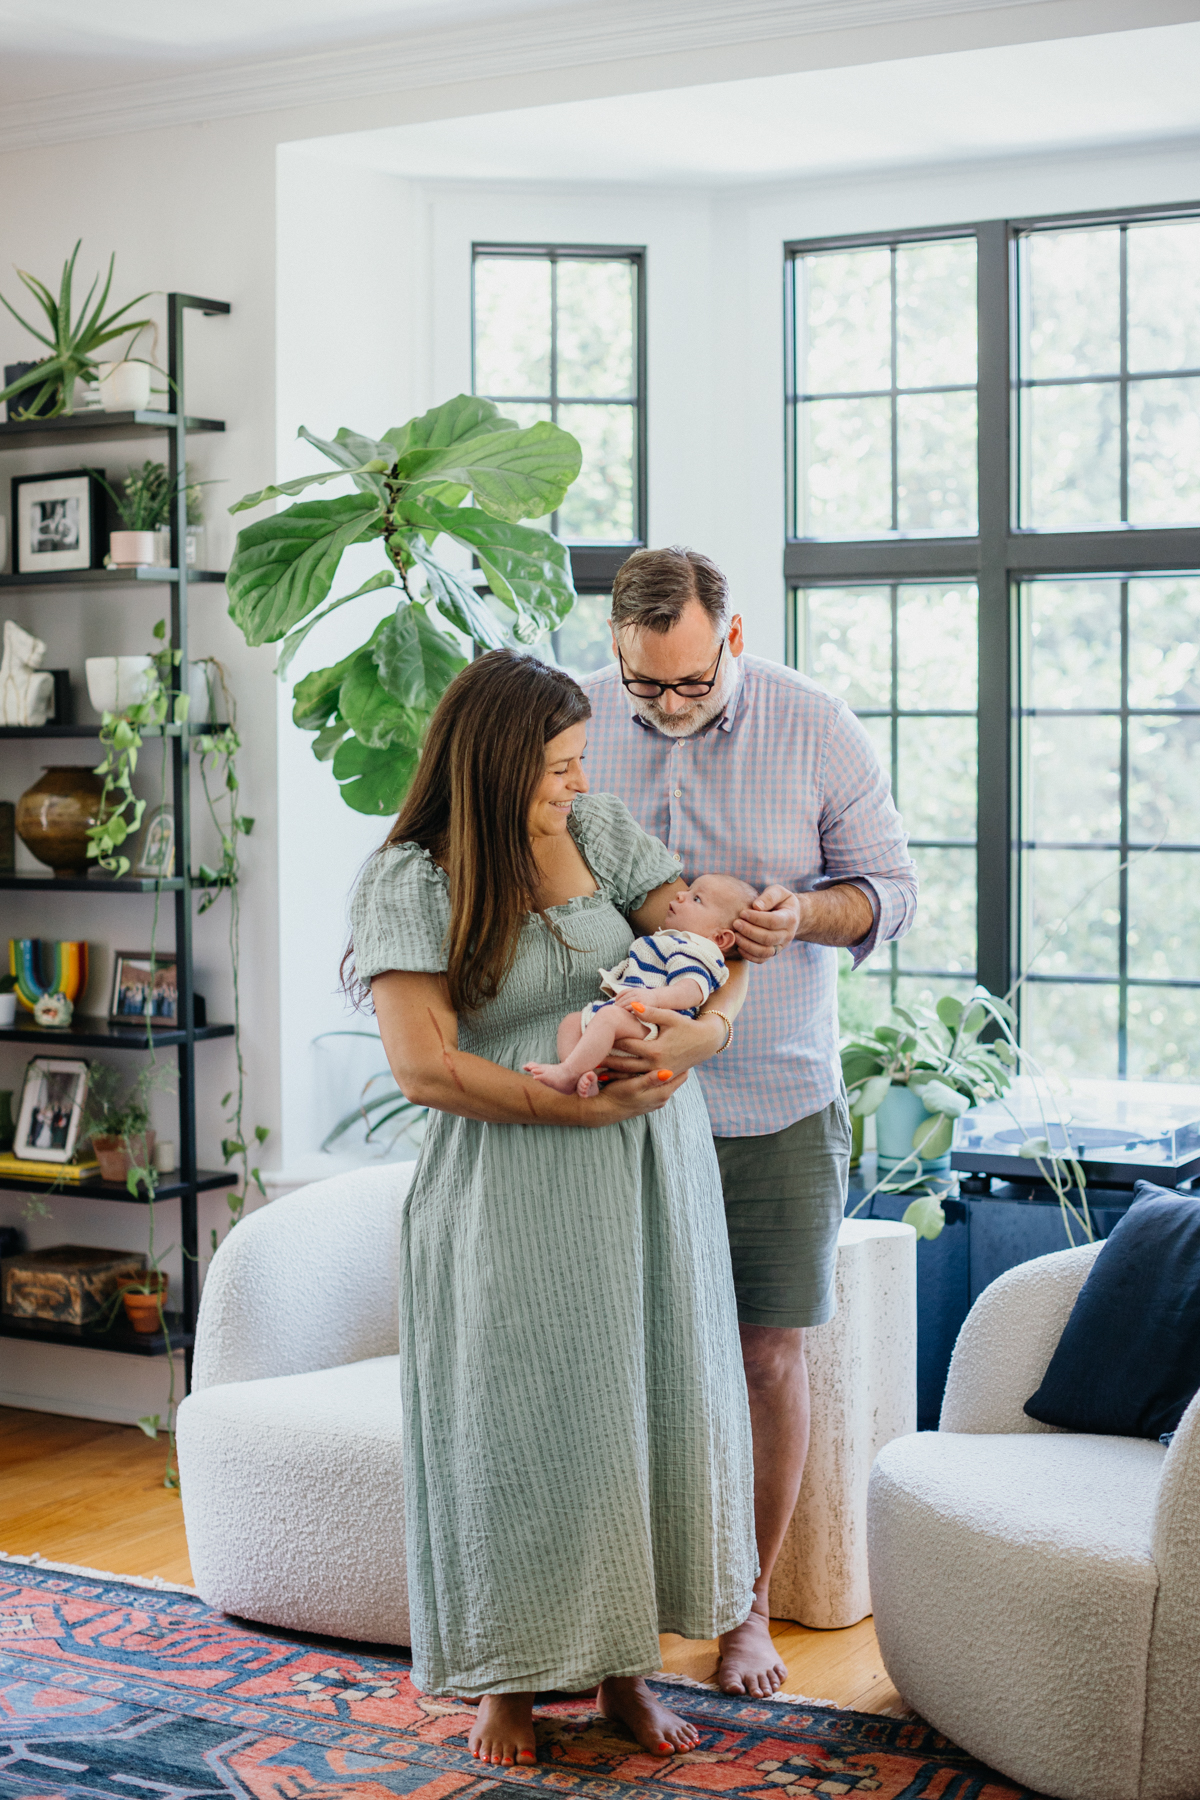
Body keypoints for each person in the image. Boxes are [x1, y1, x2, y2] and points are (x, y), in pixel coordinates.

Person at [347, 649, 757, 1769]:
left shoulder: (606, 834)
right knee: (519, 1424)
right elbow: (424, 1067)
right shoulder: (412, 881)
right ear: (489, 765)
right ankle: (507, 1687)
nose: (575, 783)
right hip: (513, 1184)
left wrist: (707, 1030)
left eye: (581, 762)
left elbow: (712, 947)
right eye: (556, 767)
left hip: (645, 1179)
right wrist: (558, 1105)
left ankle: (628, 1671)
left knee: (640, 1410)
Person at [581, 547, 917, 1699]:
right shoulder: (579, 718)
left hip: (774, 1091)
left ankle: (746, 1611)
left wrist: (806, 913)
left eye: (688, 683)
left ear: (731, 640)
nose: (666, 709)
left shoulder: (817, 725)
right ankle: (617, 1611)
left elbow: (892, 891)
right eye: (644, 687)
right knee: (621, 1360)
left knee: (768, 1356)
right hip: (620, 1096)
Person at [525, 872, 755, 1096]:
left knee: (607, 1019)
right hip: (634, 1016)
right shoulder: (671, 940)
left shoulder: (695, 951)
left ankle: (568, 1071)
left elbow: (691, 991)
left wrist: (654, 999)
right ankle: (582, 1073)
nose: (680, 896)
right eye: (688, 890)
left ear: (720, 938)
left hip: (655, 1024)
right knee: (572, 1022)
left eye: (697, 899)